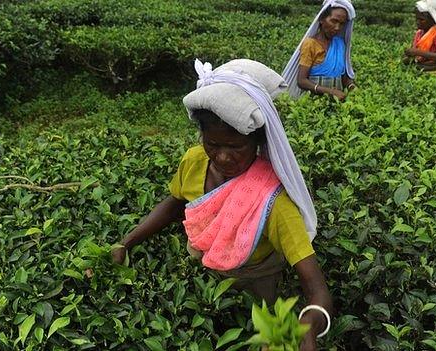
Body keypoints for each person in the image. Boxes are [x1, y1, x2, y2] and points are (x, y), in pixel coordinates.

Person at [112, 59, 333, 350]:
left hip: (255, 281)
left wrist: (310, 321)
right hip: (203, 268)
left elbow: (317, 287)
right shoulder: (194, 160)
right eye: (213, 145)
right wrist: (127, 243)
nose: (223, 158)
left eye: (236, 147)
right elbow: (175, 202)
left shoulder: (273, 201)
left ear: (258, 141)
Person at [282, 0, 356, 99]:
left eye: (342, 24)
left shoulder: (340, 44)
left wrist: (352, 87)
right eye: (334, 21)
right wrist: (329, 91)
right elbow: (302, 81)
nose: (337, 27)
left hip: (338, 103)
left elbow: (344, 77)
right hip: (314, 102)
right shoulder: (310, 44)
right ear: (321, 19)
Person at [403, 6, 436, 79]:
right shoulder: (419, 33)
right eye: (416, 19)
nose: (417, 22)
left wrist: (418, 52)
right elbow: (413, 54)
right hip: (422, 68)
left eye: (422, 20)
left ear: (433, 20)